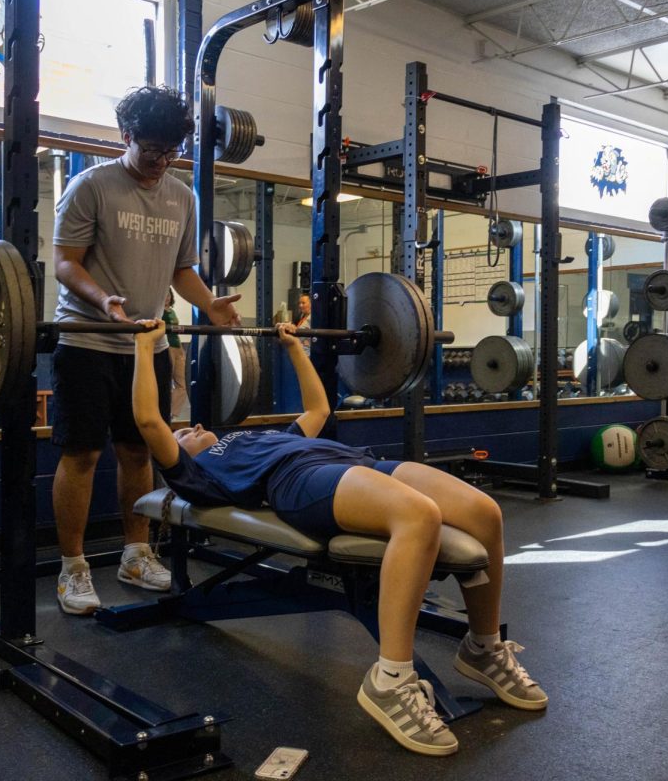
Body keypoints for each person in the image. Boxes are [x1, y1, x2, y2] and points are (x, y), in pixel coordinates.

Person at [131, 319, 547, 757]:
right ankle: (391, 680)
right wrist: (145, 345)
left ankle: (483, 647)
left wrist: (293, 347)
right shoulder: (198, 473)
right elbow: (147, 419)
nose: (192, 426)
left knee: (485, 513)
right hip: (299, 482)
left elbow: (318, 411)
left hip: (355, 462)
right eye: (182, 433)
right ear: (174, 462)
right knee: (418, 516)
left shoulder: (257, 437)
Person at [51, 85, 242, 614]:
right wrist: (103, 299)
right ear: (127, 137)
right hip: (88, 340)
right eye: (153, 150)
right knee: (83, 454)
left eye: (172, 151)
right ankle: (72, 568)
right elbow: (66, 261)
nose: (162, 162)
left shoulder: (183, 196)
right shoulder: (90, 186)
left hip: (147, 346)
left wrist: (211, 306)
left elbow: (182, 270)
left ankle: (136, 554)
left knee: (139, 451)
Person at [162, 289, 188, 419]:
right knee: (166, 382)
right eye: (165, 295)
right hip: (166, 348)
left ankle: (172, 414)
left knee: (182, 385)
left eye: (169, 295)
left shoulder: (172, 312)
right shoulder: (158, 312)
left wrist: (181, 350)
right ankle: (163, 413)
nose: (167, 297)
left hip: (177, 348)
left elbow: (176, 332)